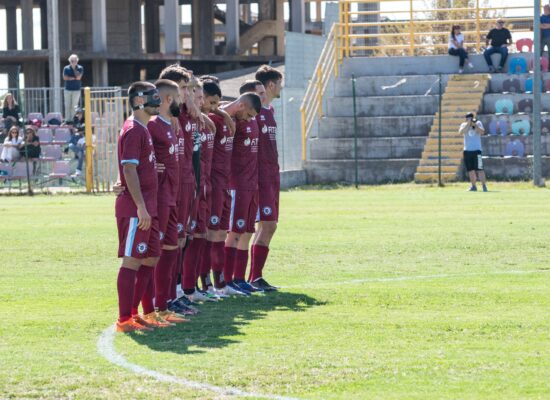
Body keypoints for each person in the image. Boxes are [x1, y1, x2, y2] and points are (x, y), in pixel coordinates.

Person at [114, 81, 164, 333]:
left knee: (150, 257)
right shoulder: (134, 129)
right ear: (138, 101)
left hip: (148, 206)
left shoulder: (143, 129)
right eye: (152, 96)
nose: (158, 100)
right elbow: (129, 168)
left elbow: (137, 165)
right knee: (132, 260)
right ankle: (125, 319)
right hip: (137, 209)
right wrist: (141, 207)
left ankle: (135, 313)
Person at [140, 78, 188, 325]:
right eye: (179, 96)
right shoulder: (152, 126)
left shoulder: (170, 125)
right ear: (169, 99)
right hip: (158, 198)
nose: (182, 101)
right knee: (154, 254)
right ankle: (149, 311)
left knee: (171, 249)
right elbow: (138, 154)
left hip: (172, 196)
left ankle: (163, 306)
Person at [223, 85, 263, 295]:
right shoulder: (230, 120)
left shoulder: (252, 120)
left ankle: (239, 278)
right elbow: (218, 110)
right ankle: (226, 280)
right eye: (247, 114)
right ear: (241, 105)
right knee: (234, 233)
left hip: (251, 184)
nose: (249, 119)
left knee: (247, 231)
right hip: (236, 184)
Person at [249, 65, 284, 292]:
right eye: (279, 83)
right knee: (266, 225)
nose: (281, 87)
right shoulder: (254, 114)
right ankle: (252, 277)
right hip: (259, 178)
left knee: (268, 226)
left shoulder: (269, 111)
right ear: (271, 84)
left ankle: (254, 277)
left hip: (271, 176)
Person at [460, 112, 487, 192]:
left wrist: (475, 125)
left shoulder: (478, 123)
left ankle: (484, 186)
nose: (470, 119)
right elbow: (461, 132)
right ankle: (473, 186)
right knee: (470, 170)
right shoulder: (463, 125)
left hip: (477, 150)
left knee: (480, 169)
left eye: (471, 118)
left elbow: (482, 132)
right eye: (468, 118)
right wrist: (468, 124)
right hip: (467, 150)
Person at [63, 54, 84, 120]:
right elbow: (65, 78)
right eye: (72, 61)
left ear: (77, 61)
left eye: (74, 60)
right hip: (67, 89)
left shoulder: (80, 68)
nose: (73, 62)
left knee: (74, 106)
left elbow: (78, 77)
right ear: (69, 61)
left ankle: (72, 120)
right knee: (67, 105)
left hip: (76, 89)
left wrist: (74, 68)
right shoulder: (66, 68)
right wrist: (72, 78)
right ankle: (67, 120)